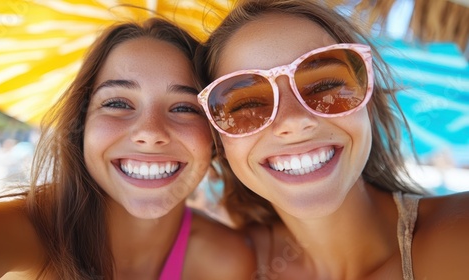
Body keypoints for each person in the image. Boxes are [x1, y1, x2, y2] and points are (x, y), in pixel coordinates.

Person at [195, 0, 469, 279]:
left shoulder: (459, 238)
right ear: (219, 143)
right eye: (247, 106)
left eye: (325, 87)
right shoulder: (215, 265)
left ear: (367, 101)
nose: (293, 121)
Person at [0, 18, 256, 280]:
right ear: (81, 122)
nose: (150, 132)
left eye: (184, 108)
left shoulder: (225, 260)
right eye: (118, 104)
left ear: (214, 137)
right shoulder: (15, 229)